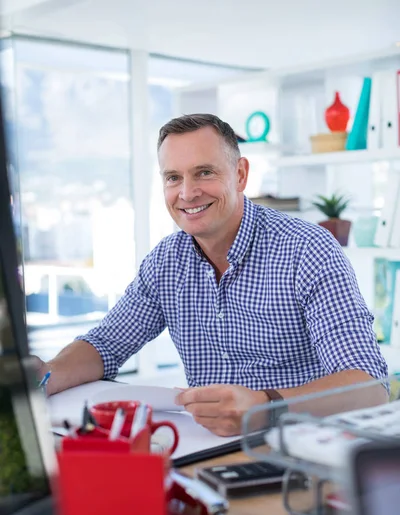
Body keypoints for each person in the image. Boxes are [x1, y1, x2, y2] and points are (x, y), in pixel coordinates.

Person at [36, 113, 388, 436]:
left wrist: (267, 406)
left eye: (204, 172)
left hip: (303, 447)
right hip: (205, 450)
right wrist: (44, 376)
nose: (187, 193)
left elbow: (369, 387)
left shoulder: (307, 249)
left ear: (240, 174)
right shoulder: (166, 262)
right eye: (173, 177)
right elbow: (105, 345)